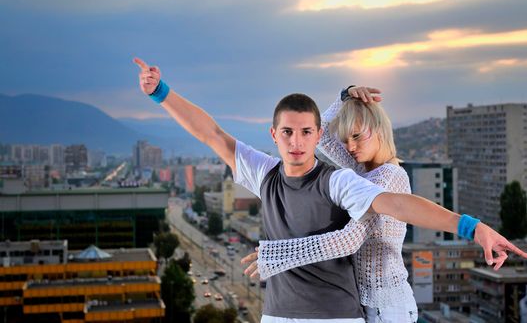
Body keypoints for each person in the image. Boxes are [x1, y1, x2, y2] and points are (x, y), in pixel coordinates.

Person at [133, 57, 527, 323]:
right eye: (286, 133)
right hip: (279, 315)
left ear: (318, 135)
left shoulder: (343, 180)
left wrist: (471, 227)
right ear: (274, 135)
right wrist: (161, 93)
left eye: (307, 132)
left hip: (350, 313)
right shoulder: (267, 173)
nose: (297, 142)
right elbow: (212, 135)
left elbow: (395, 205)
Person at [242, 86, 417, 322]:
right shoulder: (361, 169)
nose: (350, 147)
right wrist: (345, 96)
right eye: (346, 140)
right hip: (364, 302)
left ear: (379, 130)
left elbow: (348, 240)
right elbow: (319, 133)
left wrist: (278, 254)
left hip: (388, 307)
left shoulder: (389, 176)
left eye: (356, 136)